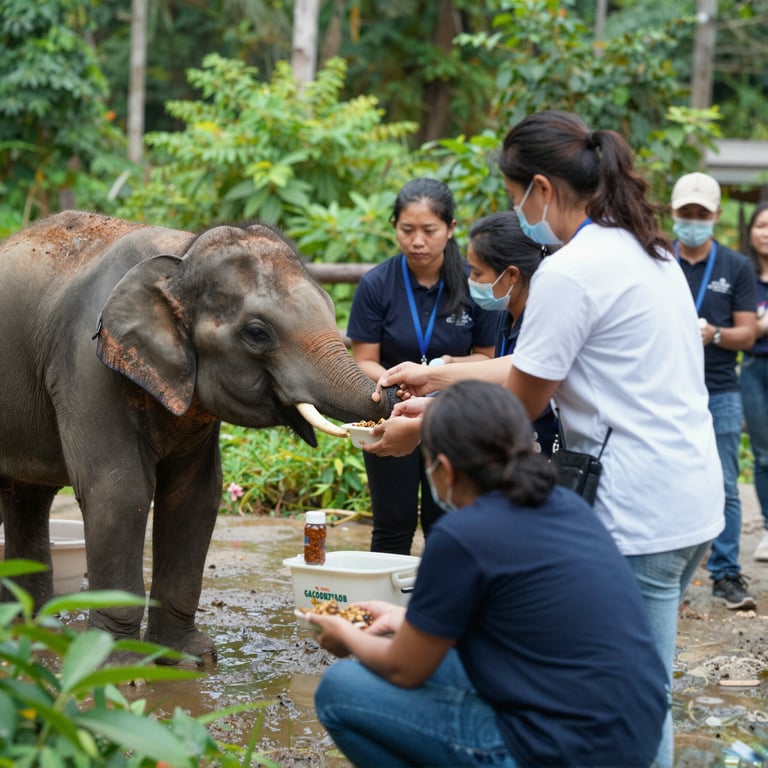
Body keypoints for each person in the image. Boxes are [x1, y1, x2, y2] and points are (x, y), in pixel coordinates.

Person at [378, 110, 725, 768]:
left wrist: (419, 430)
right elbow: (530, 365)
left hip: (639, 509)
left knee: (637, 693)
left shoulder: (570, 271)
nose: (520, 213)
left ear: (540, 188)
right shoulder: (646, 250)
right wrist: (440, 372)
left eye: (515, 199)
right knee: (629, 681)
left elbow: (520, 400)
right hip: (690, 494)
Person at [308, 380, 668, 768]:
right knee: (439, 657)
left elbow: (404, 668)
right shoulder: (566, 503)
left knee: (340, 689)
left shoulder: (460, 537)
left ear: (444, 469)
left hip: (565, 752)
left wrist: (344, 632)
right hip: (636, 735)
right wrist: (402, 617)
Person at [346, 178, 499, 555]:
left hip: (455, 418)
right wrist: (396, 382)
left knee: (446, 523)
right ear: (394, 227)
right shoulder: (376, 284)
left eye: (429, 230)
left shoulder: (474, 282)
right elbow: (364, 360)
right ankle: (384, 612)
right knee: (391, 525)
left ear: (450, 229)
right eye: (407, 230)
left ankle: (439, 611)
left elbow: (490, 359)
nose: (417, 241)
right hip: (390, 411)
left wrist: (442, 369)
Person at [363, 211, 557, 458]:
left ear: (511, 275)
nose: (470, 280)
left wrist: (429, 416)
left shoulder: (547, 322)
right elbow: (504, 378)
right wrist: (430, 385)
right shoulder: (505, 319)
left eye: (476, 273)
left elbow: (517, 394)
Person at [670, 172, 757, 609]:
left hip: (719, 388)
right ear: (673, 213)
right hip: (664, 391)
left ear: (716, 216)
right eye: (686, 213)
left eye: (701, 214)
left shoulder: (735, 266)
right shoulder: (657, 259)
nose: (692, 220)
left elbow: (747, 333)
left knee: (724, 483)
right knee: (665, 476)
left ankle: (725, 575)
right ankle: (670, 573)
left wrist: (715, 335)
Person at [740, 200, 768, 562]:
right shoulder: (742, 274)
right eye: (762, 226)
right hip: (753, 369)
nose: (766, 233)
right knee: (763, 455)